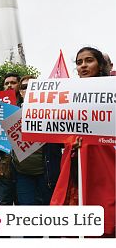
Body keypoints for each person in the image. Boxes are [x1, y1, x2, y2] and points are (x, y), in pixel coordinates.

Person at [51, 47, 115, 237]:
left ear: (101, 65)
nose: (84, 66)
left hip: (108, 166)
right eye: (79, 63)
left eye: (89, 61)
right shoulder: (68, 96)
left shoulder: (112, 91)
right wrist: (71, 145)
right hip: (78, 164)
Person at [12, 76, 63, 206]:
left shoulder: (52, 113)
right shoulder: (11, 113)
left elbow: (63, 140)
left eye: (33, 87)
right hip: (22, 175)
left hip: (46, 174)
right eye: (24, 87)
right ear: (20, 91)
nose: (28, 90)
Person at [0, 72, 20, 206]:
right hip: (4, 166)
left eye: (13, 83)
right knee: (3, 205)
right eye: (6, 83)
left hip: (24, 167)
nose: (9, 85)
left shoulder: (27, 106)